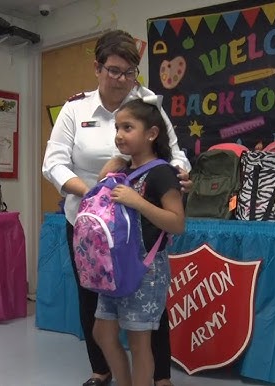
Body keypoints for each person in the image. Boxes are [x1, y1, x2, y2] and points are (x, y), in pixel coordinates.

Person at [42, 30, 190, 386]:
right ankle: (102, 370)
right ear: (97, 67)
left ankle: (159, 377)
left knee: (148, 307)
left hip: (139, 228)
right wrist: (95, 191)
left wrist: (179, 174)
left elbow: (174, 152)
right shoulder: (75, 109)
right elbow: (54, 163)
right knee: (92, 300)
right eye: (114, 70)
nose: (123, 79)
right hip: (90, 224)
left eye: (130, 72)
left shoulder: (147, 106)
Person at [93, 97, 185, 386]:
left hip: (146, 271)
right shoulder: (123, 170)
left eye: (128, 127)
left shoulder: (161, 173)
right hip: (115, 266)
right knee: (102, 333)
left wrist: (138, 202)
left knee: (139, 342)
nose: (119, 134)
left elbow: (177, 223)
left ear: (151, 134)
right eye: (117, 127)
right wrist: (107, 170)